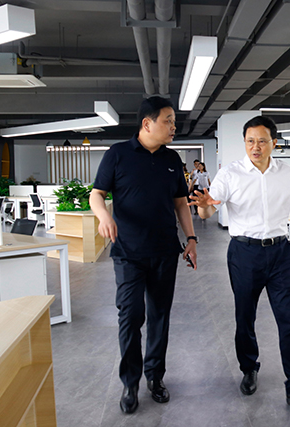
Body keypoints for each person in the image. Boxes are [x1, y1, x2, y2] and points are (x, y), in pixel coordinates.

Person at [189, 115, 290, 406]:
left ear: (274, 143)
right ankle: (249, 368)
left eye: (262, 141)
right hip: (244, 254)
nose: (255, 147)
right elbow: (208, 211)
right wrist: (203, 207)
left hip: (279, 253)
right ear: (245, 142)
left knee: (288, 319)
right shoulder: (230, 174)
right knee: (245, 317)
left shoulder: (286, 172)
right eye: (250, 141)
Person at [90, 96, 198, 415]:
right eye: (168, 121)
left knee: (160, 316)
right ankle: (130, 383)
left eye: (174, 121)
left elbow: (180, 203)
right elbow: (97, 194)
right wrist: (104, 216)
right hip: (128, 253)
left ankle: (155, 377)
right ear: (147, 123)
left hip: (165, 251)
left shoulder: (172, 159)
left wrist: (191, 239)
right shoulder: (118, 154)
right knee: (131, 316)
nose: (174, 127)